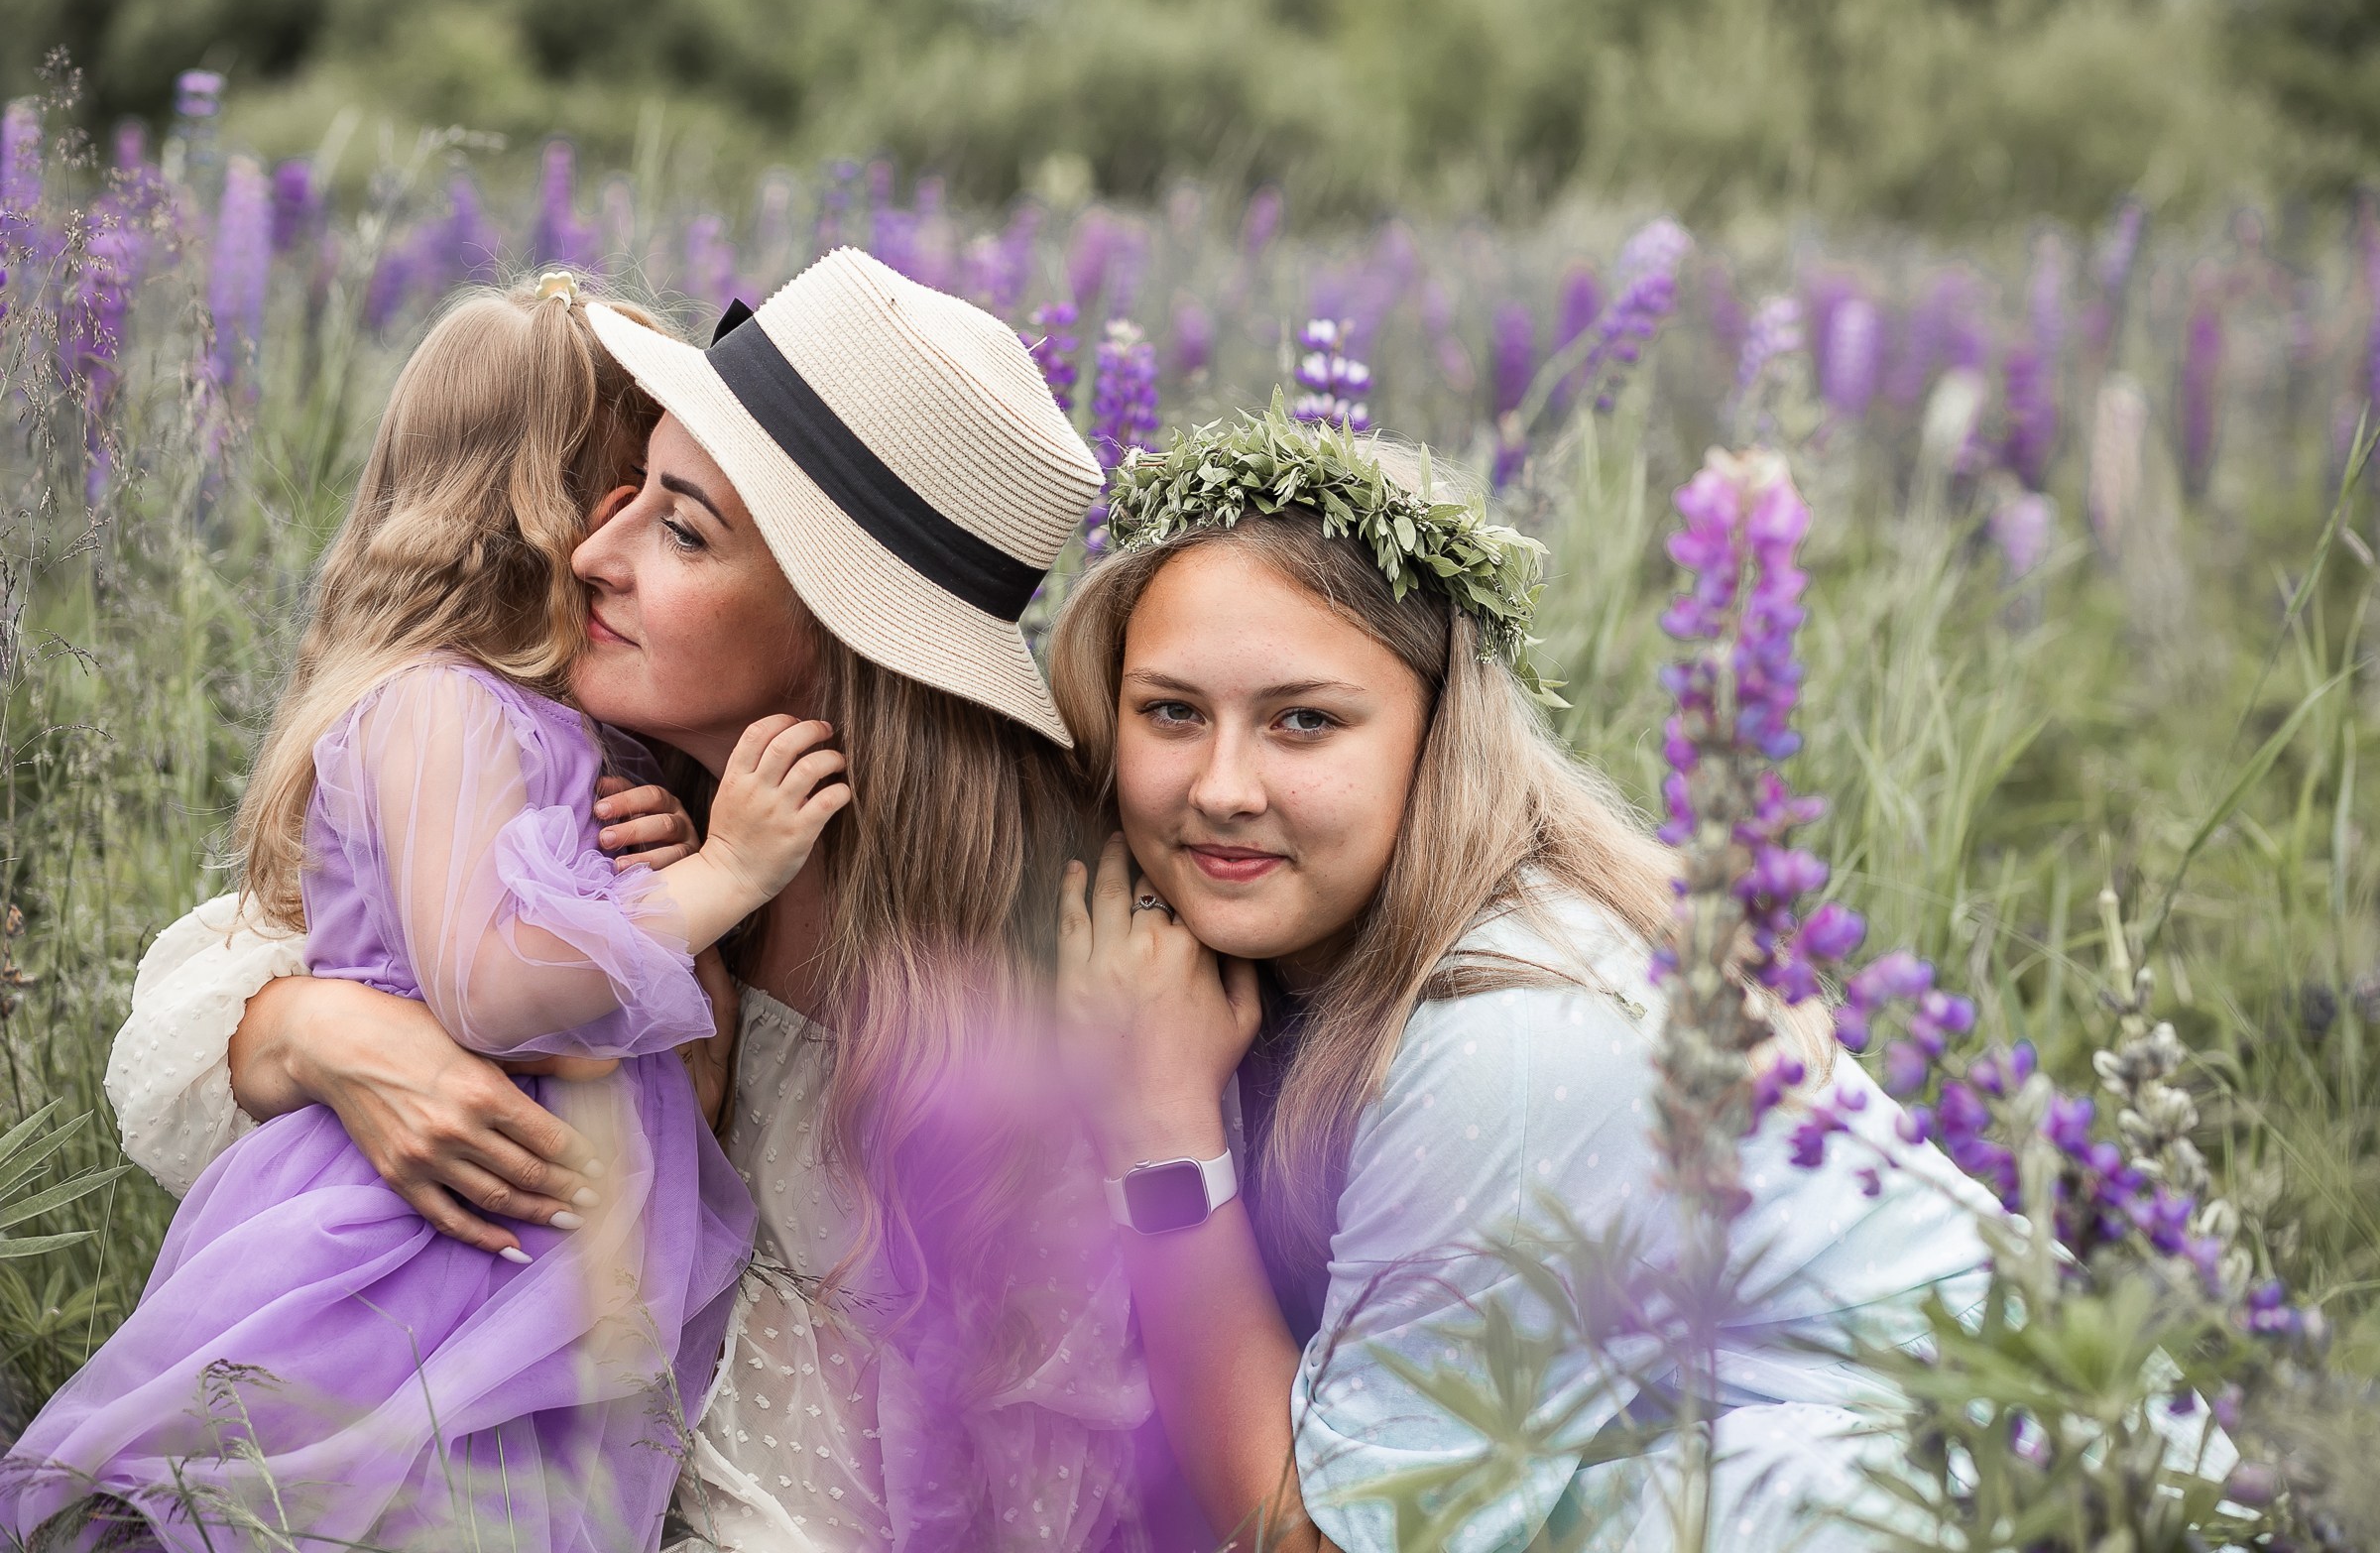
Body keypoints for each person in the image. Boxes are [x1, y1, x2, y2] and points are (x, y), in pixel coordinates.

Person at [100, 249, 1149, 1552]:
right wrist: (312, 1029)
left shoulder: (1011, 997)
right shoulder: (602, 805)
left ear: (842, 638)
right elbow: (211, 1017)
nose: (591, 552)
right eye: (625, 492)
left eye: (682, 527)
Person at [1042, 408, 1994, 1552]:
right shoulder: (1237, 959)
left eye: (1304, 720)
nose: (1225, 785)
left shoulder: (1513, 1031)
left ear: (1439, 735)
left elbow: (1314, 1542)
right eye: (1171, 713)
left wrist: (1156, 1130)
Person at [4, 275, 794, 1551]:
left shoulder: (575, 743)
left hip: (525, 1286)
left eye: (680, 519)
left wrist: (673, 903)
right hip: (401, 1260)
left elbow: (653, 1066)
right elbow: (490, 993)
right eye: (625, 491)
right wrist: (721, 882)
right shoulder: (445, 712)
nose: (624, 543)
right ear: (546, 512)